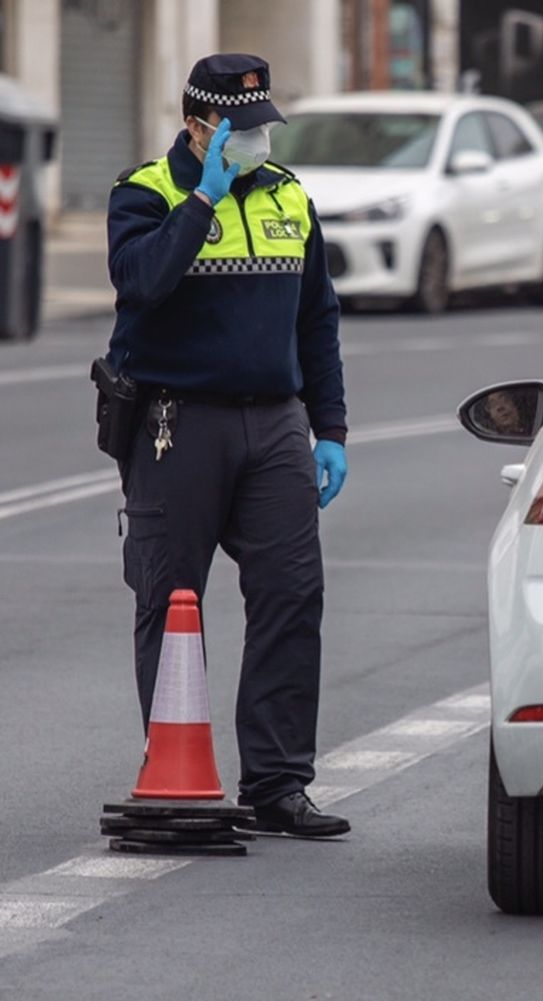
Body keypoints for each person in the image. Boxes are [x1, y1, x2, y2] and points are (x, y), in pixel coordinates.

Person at [104, 54, 350, 838]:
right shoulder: (146, 194)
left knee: (291, 591)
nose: (253, 143)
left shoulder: (291, 198)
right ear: (197, 126)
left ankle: (278, 783)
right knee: (171, 599)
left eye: (261, 129)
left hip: (276, 422)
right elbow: (142, 282)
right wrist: (204, 196)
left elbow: (318, 321)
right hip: (178, 421)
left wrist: (332, 427)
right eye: (237, 132)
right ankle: (176, 766)